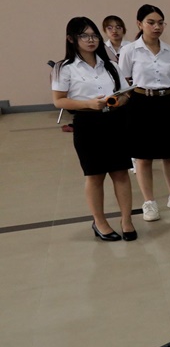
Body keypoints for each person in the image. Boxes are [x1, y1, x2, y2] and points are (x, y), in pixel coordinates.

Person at [52, 17, 135, 241]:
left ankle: (126, 220)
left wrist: (119, 101)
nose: (91, 40)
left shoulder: (110, 65)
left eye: (94, 35)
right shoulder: (64, 68)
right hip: (87, 124)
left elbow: (126, 93)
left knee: (120, 172)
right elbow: (59, 100)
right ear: (71, 39)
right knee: (95, 175)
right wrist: (88, 104)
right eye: (84, 36)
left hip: (115, 122)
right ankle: (100, 222)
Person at [118, 4, 170, 223]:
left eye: (160, 23)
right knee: (143, 157)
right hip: (140, 103)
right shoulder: (130, 51)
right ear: (139, 24)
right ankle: (149, 202)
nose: (157, 27)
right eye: (151, 22)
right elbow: (124, 78)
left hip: (166, 102)